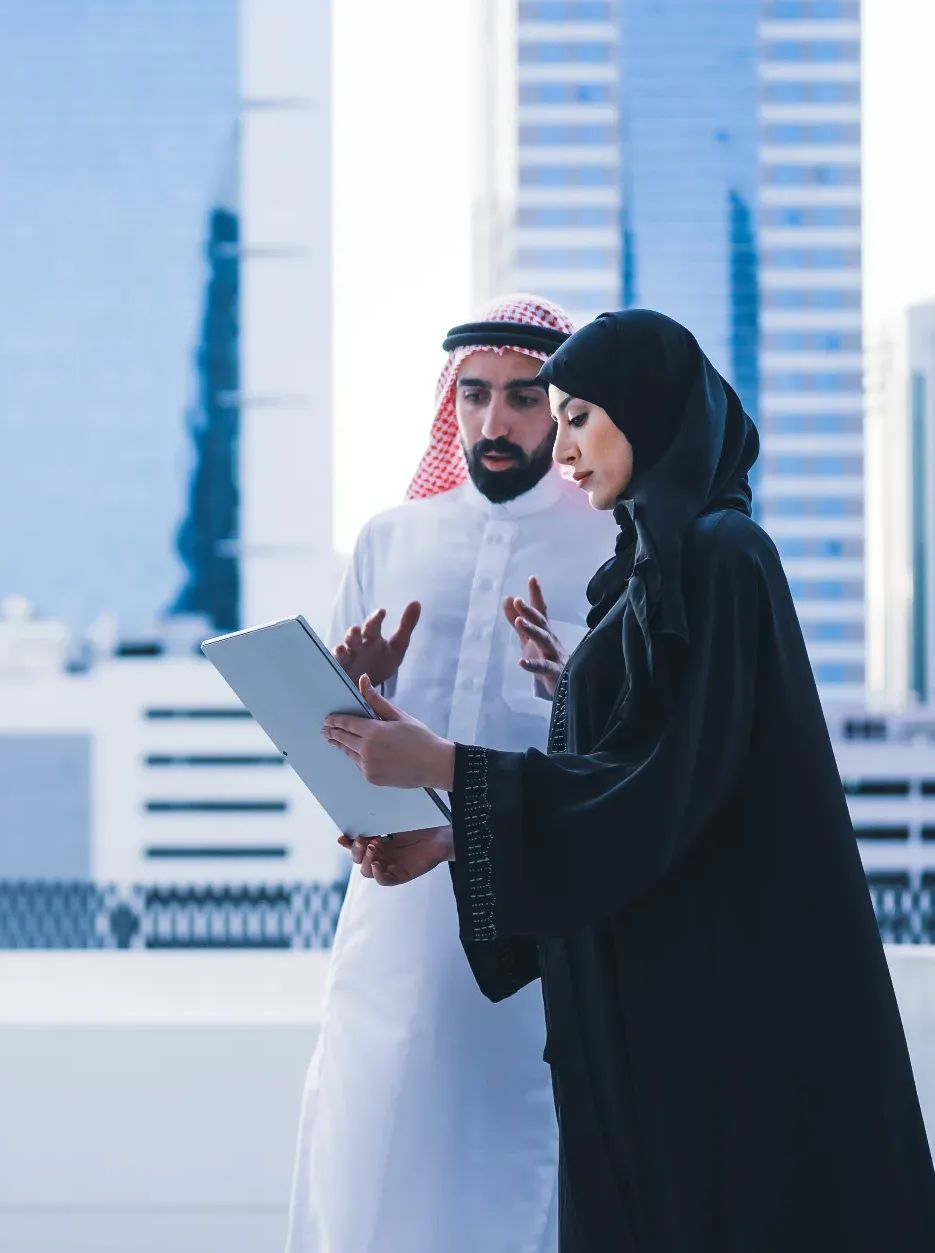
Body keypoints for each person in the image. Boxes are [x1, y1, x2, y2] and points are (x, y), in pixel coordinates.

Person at [324, 309, 935, 1252]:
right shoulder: (645, 573)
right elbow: (618, 772)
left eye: (576, 415)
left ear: (650, 412)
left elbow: (661, 788)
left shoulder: (727, 559)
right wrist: (457, 831)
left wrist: (447, 769)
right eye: (559, 417)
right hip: (646, 994)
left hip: (715, 1005)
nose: (564, 448)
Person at [284, 294, 615, 1253]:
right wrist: (354, 698)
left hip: (532, 928)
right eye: (473, 397)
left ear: (557, 409)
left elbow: (614, 757)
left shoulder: (604, 538)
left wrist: (566, 684)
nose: (493, 422)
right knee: (368, 1157)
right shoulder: (391, 538)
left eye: (521, 398)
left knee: (516, 1164)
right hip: (393, 919)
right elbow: (335, 737)